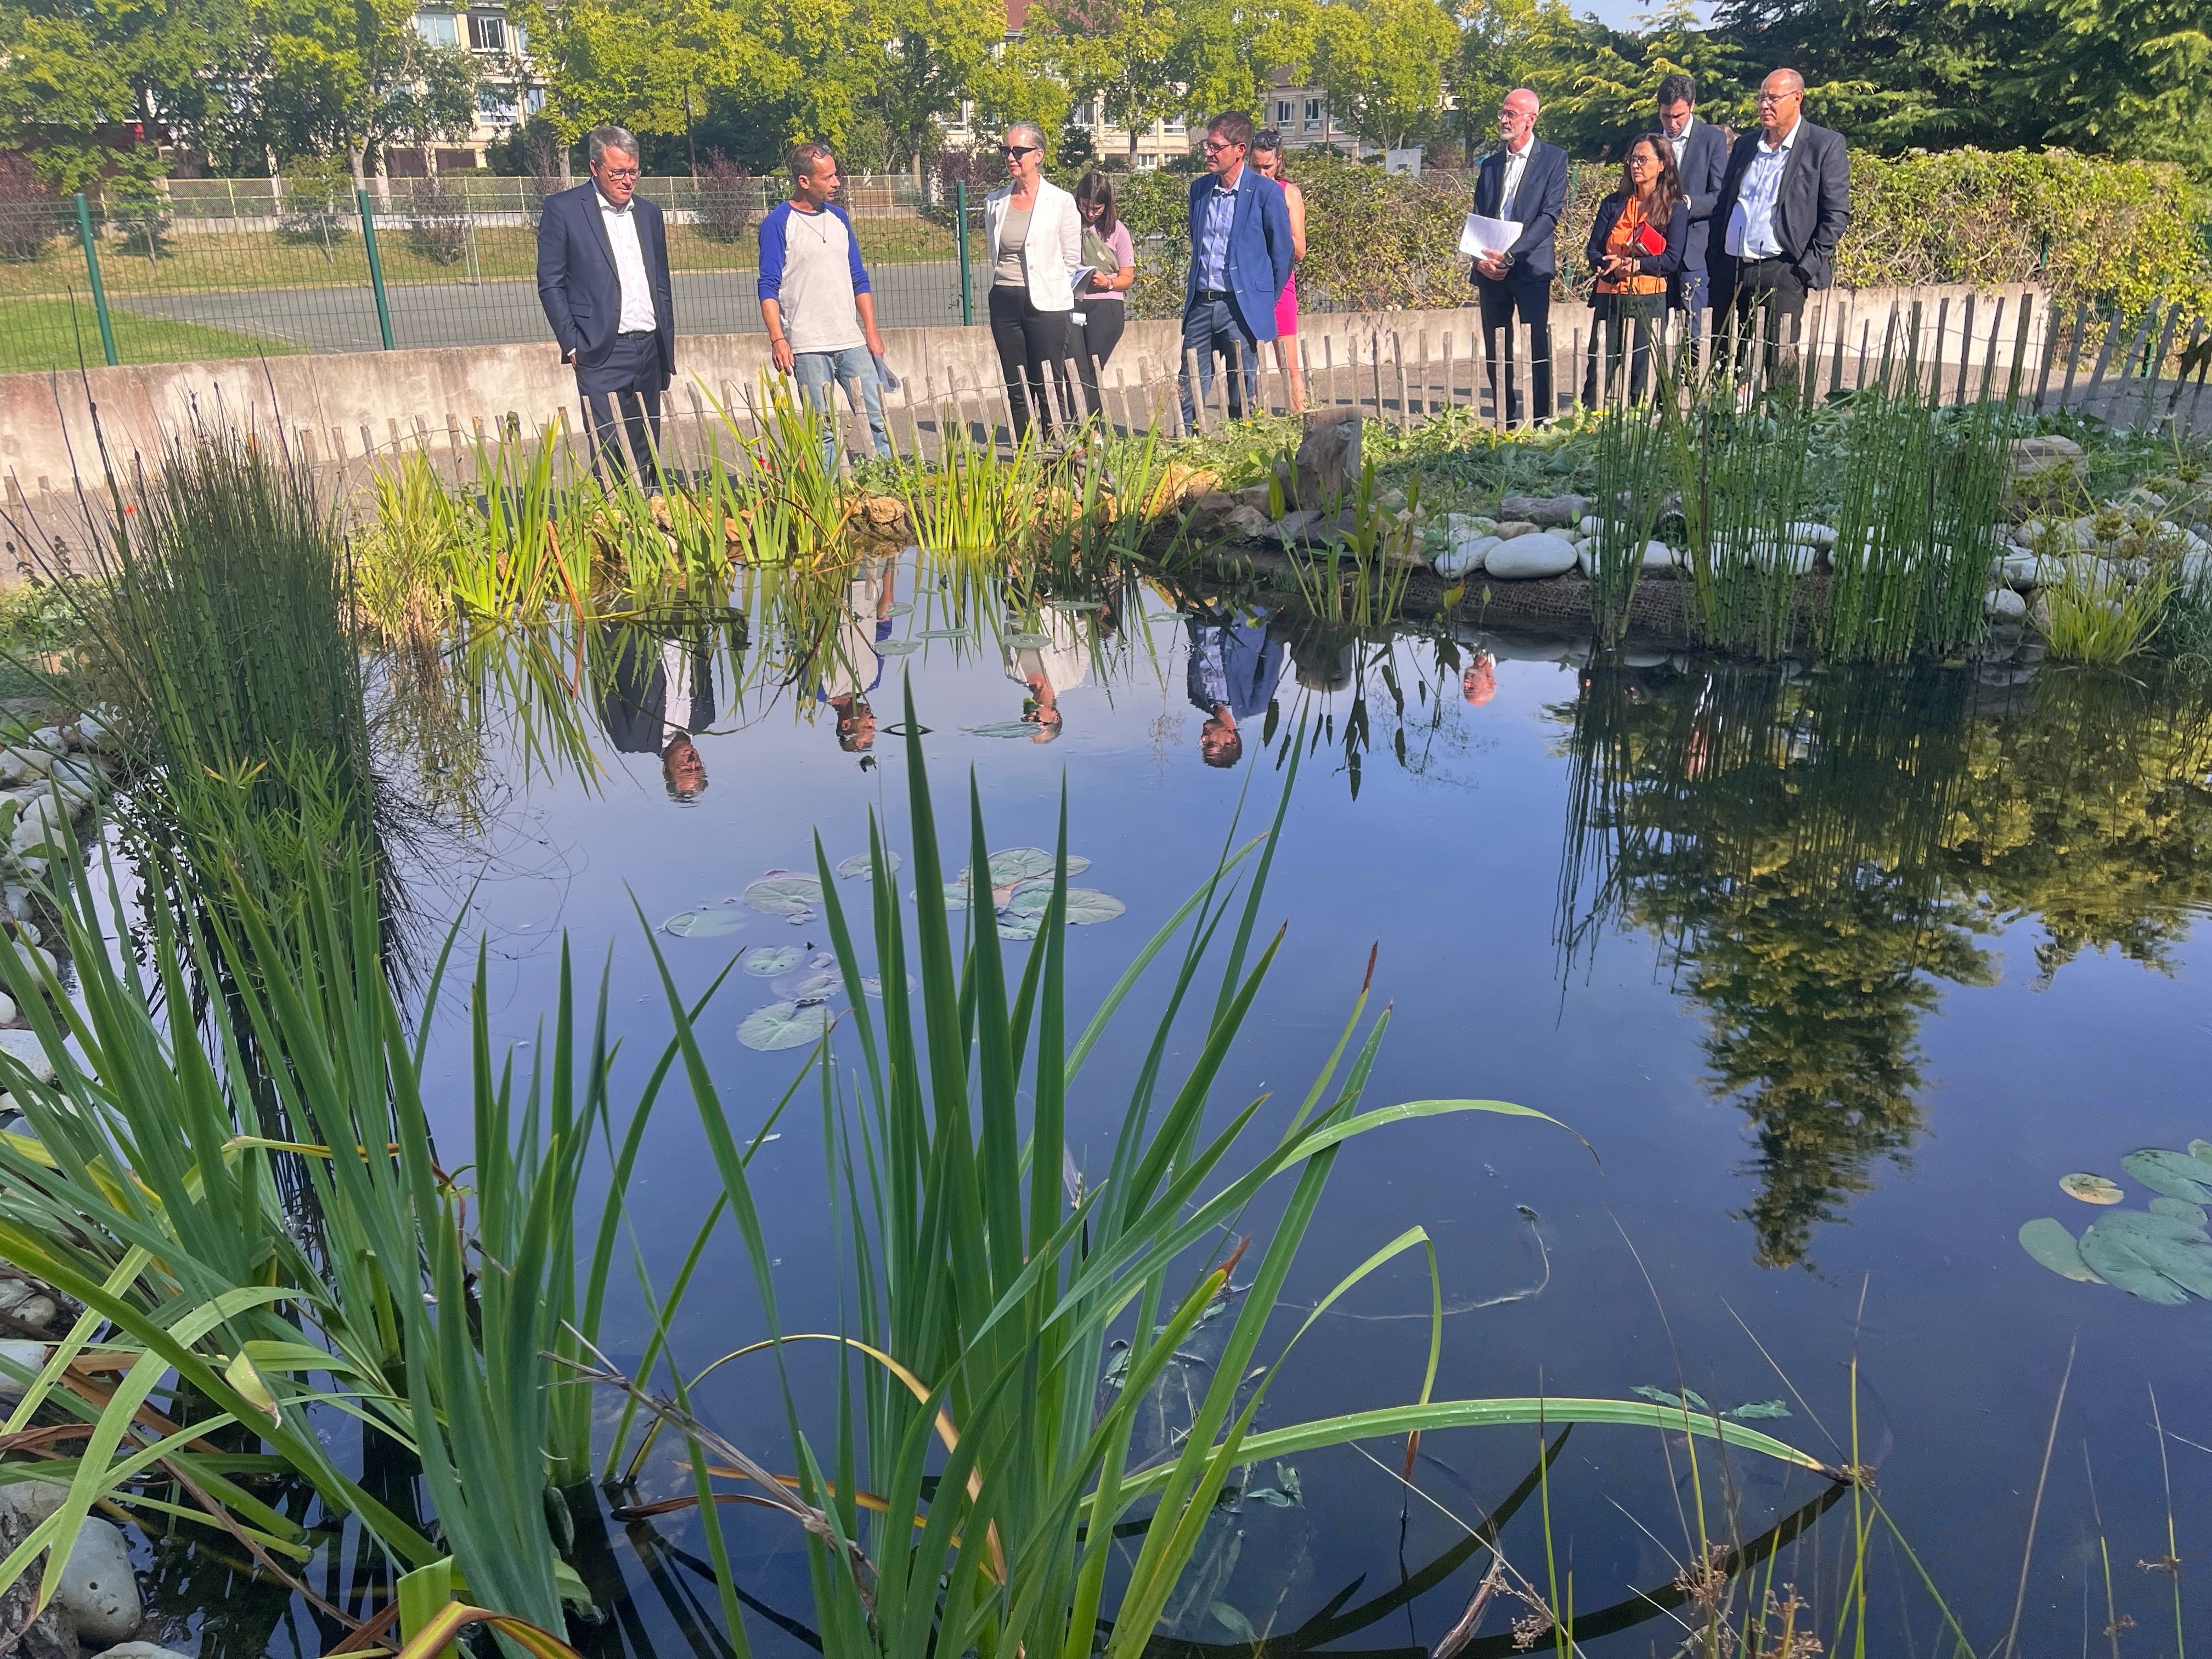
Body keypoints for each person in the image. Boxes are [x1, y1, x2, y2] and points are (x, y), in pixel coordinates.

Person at [536, 126, 677, 490]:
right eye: (618, 172)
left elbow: (660, 283)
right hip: (599, 350)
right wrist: (572, 345)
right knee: (609, 446)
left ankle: (649, 518)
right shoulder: (564, 210)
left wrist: (666, 348)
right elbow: (551, 283)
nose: (627, 180)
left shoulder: (649, 214)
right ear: (595, 167)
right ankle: (617, 520)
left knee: (646, 445)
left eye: (633, 171)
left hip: (647, 348)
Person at [1709, 68, 1852, 382]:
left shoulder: (1823, 145)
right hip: (1731, 268)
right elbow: (1725, 203)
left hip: (1783, 269)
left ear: (1797, 98)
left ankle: (1782, 428)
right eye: (1761, 98)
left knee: (1780, 363)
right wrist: (1714, 256)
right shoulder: (1746, 145)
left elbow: (1836, 214)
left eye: (1773, 98)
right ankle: (1722, 427)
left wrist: (1803, 269)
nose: (1764, 106)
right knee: (1725, 363)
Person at [758, 142, 892, 471]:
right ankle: (830, 496)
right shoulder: (778, 223)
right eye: (828, 177)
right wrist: (778, 339)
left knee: (877, 416)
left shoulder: (840, 219)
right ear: (804, 181)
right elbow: (767, 286)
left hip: (851, 340)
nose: (837, 183)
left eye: (836, 175)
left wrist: (871, 334)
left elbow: (859, 278)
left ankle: (888, 481)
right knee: (822, 430)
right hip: (807, 346)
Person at [1180, 111, 1294, 428]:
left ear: (1239, 149)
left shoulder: (1266, 193)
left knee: (1240, 393)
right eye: (1207, 145)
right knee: (1188, 387)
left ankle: (1238, 453)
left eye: (1216, 147)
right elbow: (1196, 239)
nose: (1208, 152)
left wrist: (1261, 300)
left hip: (1240, 308)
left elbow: (1282, 254)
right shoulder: (1199, 190)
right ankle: (1186, 448)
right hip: (1201, 304)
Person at [1469, 89, 1567, 427]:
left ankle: (1541, 420)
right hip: (1491, 270)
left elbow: (1549, 217)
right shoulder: (1492, 164)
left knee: (1536, 344)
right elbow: (1479, 215)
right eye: (1503, 112)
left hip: (1530, 268)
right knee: (1497, 346)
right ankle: (1504, 418)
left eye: (1512, 113)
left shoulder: (1554, 159)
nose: (1504, 119)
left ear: (1531, 119)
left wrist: (1511, 255)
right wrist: (1479, 260)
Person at [984, 121, 1084, 442]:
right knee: (1016, 382)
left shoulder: (1061, 201)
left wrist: (1054, 290)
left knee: (1048, 382)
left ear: (1038, 155)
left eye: (1019, 151)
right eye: (1006, 151)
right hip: (1004, 299)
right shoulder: (995, 202)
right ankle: (1026, 452)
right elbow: (995, 251)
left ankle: (1058, 451)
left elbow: (1071, 259)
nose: (1011, 157)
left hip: (1046, 304)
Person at [1582, 133, 1687, 403]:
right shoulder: (1614, 203)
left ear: (1662, 164)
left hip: (1650, 296)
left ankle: (1638, 426)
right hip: (1611, 291)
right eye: (1632, 159)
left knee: (1644, 367)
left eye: (1643, 159)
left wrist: (1637, 264)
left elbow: (1672, 260)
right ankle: (1590, 423)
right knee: (1600, 365)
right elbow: (1593, 249)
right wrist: (1608, 266)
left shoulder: (1674, 207)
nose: (1636, 166)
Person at [596, 622, 715, 801]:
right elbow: (703, 664)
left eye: (684, 769)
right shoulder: (705, 717)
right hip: (684, 622)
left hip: (630, 626)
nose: (692, 762)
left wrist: (605, 631)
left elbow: (604, 687)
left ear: (665, 770)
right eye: (698, 768)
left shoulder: (630, 740)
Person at [1657, 74, 1728, 331]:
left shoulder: (1712, 140)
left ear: (1692, 106)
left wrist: (1687, 204)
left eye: (1679, 116)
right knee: (1652, 329)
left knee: (1695, 332)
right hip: (1655, 250)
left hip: (1694, 252)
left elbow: (1720, 195)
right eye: (1666, 116)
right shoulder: (1650, 140)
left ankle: (1692, 373)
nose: (1673, 123)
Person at [1249, 131, 1308, 412]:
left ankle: (1300, 422)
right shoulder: (1245, 192)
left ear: (1279, 161)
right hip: (1249, 286)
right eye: (1256, 166)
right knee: (1250, 366)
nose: (1262, 173)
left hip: (1280, 285)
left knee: (1289, 365)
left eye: (1267, 167)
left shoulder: (1289, 193)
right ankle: (1254, 423)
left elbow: (1299, 249)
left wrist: (1275, 225)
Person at [1186, 604, 1283, 768]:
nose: (1203, 738)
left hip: (1201, 613)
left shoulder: (1196, 697)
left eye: (1204, 744)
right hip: (1244, 614)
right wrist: (1271, 611)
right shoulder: (1255, 705)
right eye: (1210, 744)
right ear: (1232, 740)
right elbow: (1273, 651)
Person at [1071, 173, 1136, 420]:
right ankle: (1079, 427)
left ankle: (1092, 427)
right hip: (1075, 305)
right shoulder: (1070, 226)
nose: (1090, 214)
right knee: (1076, 371)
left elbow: (1127, 278)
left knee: (1092, 369)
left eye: (1097, 209)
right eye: (1085, 207)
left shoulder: (1117, 231)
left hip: (1106, 308)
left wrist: (1107, 282)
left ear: (1107, 205)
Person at [1002, 609, 1091, 741]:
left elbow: (1009, 632)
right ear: (1055, 717)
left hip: (1018, 606)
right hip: (1051, 604)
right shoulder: (1072, 677)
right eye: (1037, 722)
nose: (1030, 717)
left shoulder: (1013, 673)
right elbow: (1081, 637)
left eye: (1028, 722)